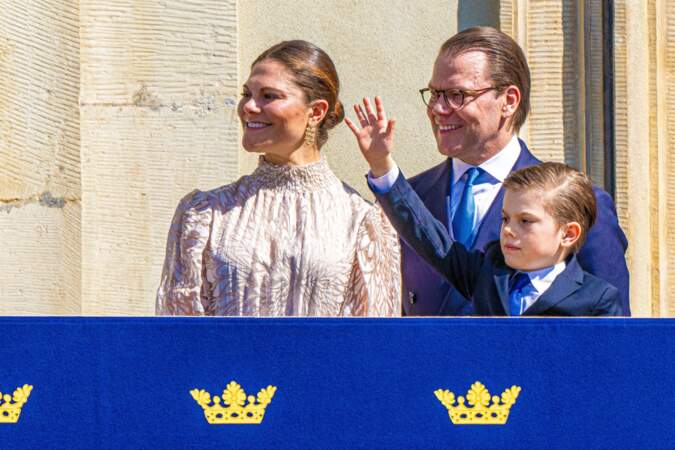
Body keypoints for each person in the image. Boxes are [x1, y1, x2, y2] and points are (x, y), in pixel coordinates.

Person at [347, 26, 629, 316]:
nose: (438, 109)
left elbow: (612, 340)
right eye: (435, 94)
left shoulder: (580, 203)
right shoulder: (411, 197)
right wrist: (382, 167)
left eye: (457, 94)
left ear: (508, 101)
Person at [156, 40, 401, 316]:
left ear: (316, 112)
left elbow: (372, 343)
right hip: (225, 361)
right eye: (246, 93)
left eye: (268, 96)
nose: (248, 106)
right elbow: (178, 335)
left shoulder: (360, 221)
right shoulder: (205, 213)